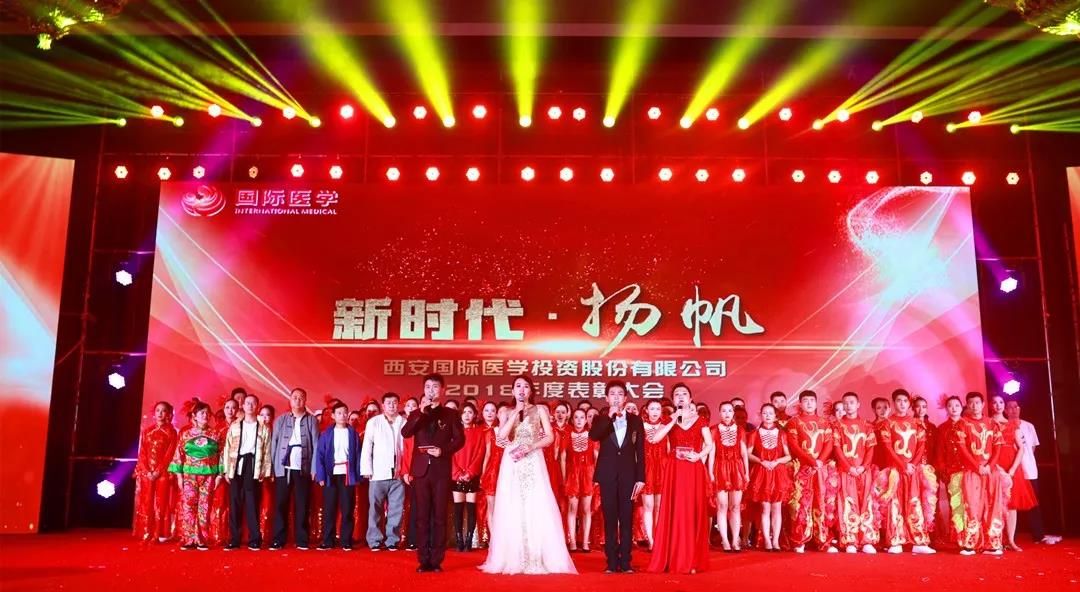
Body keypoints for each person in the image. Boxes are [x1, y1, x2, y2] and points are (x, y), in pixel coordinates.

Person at [479, 376, 576, 574]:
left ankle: (536, 555)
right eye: (518, 386)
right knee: (512, 503)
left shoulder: (540, 410)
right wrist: (515, 413)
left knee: (535, 503)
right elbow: (501, 437)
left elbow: (550, 437)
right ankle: (513, 556)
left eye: (525, 386)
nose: (522, 390)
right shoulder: (505, 411)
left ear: (531, 391)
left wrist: (531, 447)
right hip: (512, 461)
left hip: (532, 459)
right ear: (513, 391)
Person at [646, 383, 712, 574]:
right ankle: (672, 557)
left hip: (693, 468)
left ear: (690, 399)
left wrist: (699, 455)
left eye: (684, 394)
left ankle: (691, 560)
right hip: (674, 470)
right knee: (675, 511)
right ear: (673, 400)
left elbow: (709, 444)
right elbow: (655, 439)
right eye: (677, 394)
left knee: (691, 511)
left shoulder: (700, 420)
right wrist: (673, 420)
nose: (681, 396)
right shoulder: (669, 419)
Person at [402, 374, 465, 573]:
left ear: (442, 390)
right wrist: (420, 413)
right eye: (428, 387)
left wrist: (443, 451)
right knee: (421, 517)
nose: (431, 390)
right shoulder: (416, 413)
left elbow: (460, 440)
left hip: (440, 471)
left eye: (435, 386)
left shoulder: (450, 414)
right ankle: (423, 559)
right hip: (421, 471)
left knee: (439, 516)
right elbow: (406, 433)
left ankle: (437, 560)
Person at [589, 380, 646, 574]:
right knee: (610, 519)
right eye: (612, 394)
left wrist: (641, 478)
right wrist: (609, 417)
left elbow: (640, 450)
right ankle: (612, 562)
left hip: (629, 476)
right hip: (607, 476)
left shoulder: (636, 420)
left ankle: (626, 562)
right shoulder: (600, 419)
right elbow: (594, 436)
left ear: (625, 398)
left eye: (620, 394)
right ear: (606, 398)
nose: (616, 397)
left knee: (627, 519)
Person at [876, 390, 937, 554]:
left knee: (914, 502)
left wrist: (913, 465)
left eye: (905, 401)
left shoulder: (917, 423)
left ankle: (918, 540)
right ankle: (895, 540)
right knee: (894, 504)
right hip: (895, 470)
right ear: (893, 403)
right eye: (898, 400)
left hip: (913, 471)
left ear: (909, 403)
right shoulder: (887, 423)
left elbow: (921, 446)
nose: (902, 404)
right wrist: (903, 465)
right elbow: (887, 448)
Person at [950, 392, 1008, 555]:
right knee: (972, 505)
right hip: (971, 471)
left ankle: (993, 544)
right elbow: (962, 449)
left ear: (983, 405)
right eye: (971, 403)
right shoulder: (962, 424)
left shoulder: (992, 423)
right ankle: (970, 543)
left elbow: (997, 447)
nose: (974, 406)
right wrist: (977, 466)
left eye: (977, 402)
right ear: (967, 405)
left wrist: (990, 466)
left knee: (993, 505)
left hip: (991, 471)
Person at [786, 390, 839, 553]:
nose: (809, 403)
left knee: (821, 502)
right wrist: (811, 461)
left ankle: (823, 540)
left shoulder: (824, 422)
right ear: (800, 403)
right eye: (805, 400)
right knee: (802, 504)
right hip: (803, 469)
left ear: (816, 403)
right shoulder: (794, 422)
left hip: (821, 469)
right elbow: (794, 445)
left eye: (812, 400)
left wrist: (820, 461)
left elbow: (829, 444)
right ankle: (799, 540)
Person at [1004, 400, 1061, 545]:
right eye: (1010, 407)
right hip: (1011, 470)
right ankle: (1010, 537)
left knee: (1033, 503)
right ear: (1005, 410)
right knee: (1011, 503)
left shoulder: (1029, 426)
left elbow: (1033, 448)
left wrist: (1025, 461)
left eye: (1016, 407)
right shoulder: (1003, 426)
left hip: (1029, 469)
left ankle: (1038, 535)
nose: (1013, 409)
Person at [269, 387, 319, 550]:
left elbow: (316, 445)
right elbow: (274, 444)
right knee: (280, 504)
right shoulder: (281, 420)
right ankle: (278, 539)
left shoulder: (311, 420)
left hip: (303, 467)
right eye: (295, 397)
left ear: (305, 401)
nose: (298, 400)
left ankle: (302, 539)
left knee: (302, 504)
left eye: (301, 397)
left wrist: (314, 469)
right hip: (283, 467)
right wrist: (272, 468)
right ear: (290, 400)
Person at [222, 393, 272, 550]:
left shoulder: (263, 427)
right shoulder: (235, 426)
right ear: (242, 406)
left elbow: (267, 450)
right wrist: (226, 470)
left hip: (253, 465)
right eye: (247, 403)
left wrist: (265, 471)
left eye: (253, 403)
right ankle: (234, 539)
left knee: (252, 502)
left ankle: (255, 538)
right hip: (236, 465)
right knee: (235, 501)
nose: (250, 405)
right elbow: (227, 447)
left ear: (257, 406)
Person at [169, 402, 222, 550]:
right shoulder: (185, 434)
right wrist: (179, 476)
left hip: (208, 475)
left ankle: (201, 539)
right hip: (189, 475)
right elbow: (178, 455)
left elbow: (221, 456)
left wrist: (219, 475)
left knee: (205, 507)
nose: (205, 415)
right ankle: (188, 539)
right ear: (194, 416)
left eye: (207, 413)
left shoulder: (215, 434)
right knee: (188, 505)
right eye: (202, 413)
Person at [831, 392, 879, 554]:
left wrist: (864, 467)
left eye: (851, 402)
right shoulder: (837, 426)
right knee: (847, 503)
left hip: (864, 471)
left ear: (858, 404)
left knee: (866, 503)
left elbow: (870, 448)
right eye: (845, 403)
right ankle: (850, 540)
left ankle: (867, 540)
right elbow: (837, 449)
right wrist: (848, 467)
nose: (848, 405)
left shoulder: (867, 425)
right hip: (846, 471)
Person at [990, 396, 1036, 551]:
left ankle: (1010, 540)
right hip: (994, 465)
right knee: (995, 503)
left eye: (1001, 402)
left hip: (1011, 465)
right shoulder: (987, 423)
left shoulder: (1012, 424)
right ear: (990, 405)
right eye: (994, 402)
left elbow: (1021, 448)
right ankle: (996, 539)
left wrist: (1012, 469)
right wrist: (995, 466)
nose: (998, 405)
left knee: (1011, 504)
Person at [361, 392, 406, 551]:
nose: (392, 405)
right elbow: (367, 446)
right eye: (388, 403)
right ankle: (374, 540)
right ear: (383, 405)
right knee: (375, 508)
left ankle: (392, 540)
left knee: (396, 508)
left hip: (398, 472)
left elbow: (407, 448)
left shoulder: (404, 422)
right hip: (378, 472)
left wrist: (406, 470)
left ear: (399, 404)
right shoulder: (374, 422)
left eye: (395, 402)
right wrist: (366, 468)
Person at [314, 402, 362, 550]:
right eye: (339, 413)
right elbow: (320, 456)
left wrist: (357, 475)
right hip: (331, 475)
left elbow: (358, 456)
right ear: (333, 416)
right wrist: (321, 476)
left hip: (347, 474)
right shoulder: (326, 434)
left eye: (345, 412)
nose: (343, 415)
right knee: (329, 508)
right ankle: (328, 540)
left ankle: (346, 540)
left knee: (347, 508)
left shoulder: (353, 434)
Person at [747, 403, 791, 551]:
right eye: (765, 413)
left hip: (778, 473)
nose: (767, 416)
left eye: (770, 413)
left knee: (777, 508)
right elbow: (748, 453)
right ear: (761, 415)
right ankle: (766, 540)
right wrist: (762, 461)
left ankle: (776, 541)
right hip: (762, 472)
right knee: (765, 508)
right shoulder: (754, 433)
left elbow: (788, 456)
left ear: (775, 416)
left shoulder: (782, 434)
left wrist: (777, 461)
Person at [133, 401, 178, 543]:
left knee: (160, 503)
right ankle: (145, 532)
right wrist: (147, 470)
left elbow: (170, 454)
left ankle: (157, 534)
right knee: (146, 502)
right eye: (158, 410)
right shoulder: (147, 431)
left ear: (168, 414)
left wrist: (158, 471)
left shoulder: (171, 432)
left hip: (163, 473)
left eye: (163, 411)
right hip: (147, 473)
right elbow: (142, 453)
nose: (160, 413)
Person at [709, 401, 749, 552]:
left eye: (729, 411)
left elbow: (744, 453)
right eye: (724, 411)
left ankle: (735, 540)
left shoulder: (740, 430)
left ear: (733, 413)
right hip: (720, 467)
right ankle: (725, 540)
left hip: (737, 468)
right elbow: (712, 452)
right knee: (722, 506)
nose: (727, 414)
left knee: (735, 506)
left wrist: (746, 472)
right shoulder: (714, 430)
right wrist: (710, 472)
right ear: (719, 413)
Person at [452, 403, 485, 552]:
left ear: (475, 415)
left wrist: (470, 473)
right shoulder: (454, 432)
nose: (467, 415)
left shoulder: (479, 432)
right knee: (458, 508)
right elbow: (450, 454)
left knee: (471, 508)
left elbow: (480, 453)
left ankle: (469, 539)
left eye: (470, 412)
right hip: (457, 475)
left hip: (472, 475)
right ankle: (459, 539)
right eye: (464, 412)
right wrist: (458, 473)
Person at [565, 408, 598, 553]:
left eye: (582, 418)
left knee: (586, 509)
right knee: (572, 509)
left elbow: (597, 457)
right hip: (572, 475)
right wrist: (564, 477)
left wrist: (597, 476)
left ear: (586, 420)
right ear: (572, 420)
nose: (579, 420)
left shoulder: (591, 436)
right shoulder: (567, 435)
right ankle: (572, 541)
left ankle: (585, 542)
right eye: (576, 417)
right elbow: (562, 457)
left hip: (588, 475)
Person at [209, 397, 239, 546]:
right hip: (220, 471)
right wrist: (219, 472)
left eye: (233, 408)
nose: (230, 411)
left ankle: (234, 536)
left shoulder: (241, 427)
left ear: (238, 410)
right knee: (219, 502)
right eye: (227, 407)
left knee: (235, 503)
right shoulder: (216, 429)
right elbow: (213, 453)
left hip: (237, 469)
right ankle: (218, 535)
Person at [640, 399, 668, 550]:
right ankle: (650, 540)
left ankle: (658, 538)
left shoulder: (665, 427)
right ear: (646, 410)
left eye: (658, 409)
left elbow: (669, 450)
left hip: (662, 468)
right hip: (646, 468)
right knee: (648, 506)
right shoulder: (640, 427)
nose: (655, 412)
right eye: (652, 409)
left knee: (659, 507)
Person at [256, 404, 275, 545]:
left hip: (271, 475)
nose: (264, 418)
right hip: (257, 473)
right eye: (262, 414)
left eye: (268, 415)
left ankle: (266, 535)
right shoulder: (254, 432)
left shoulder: (276, 432)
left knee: (269, 504)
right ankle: (257, 534)